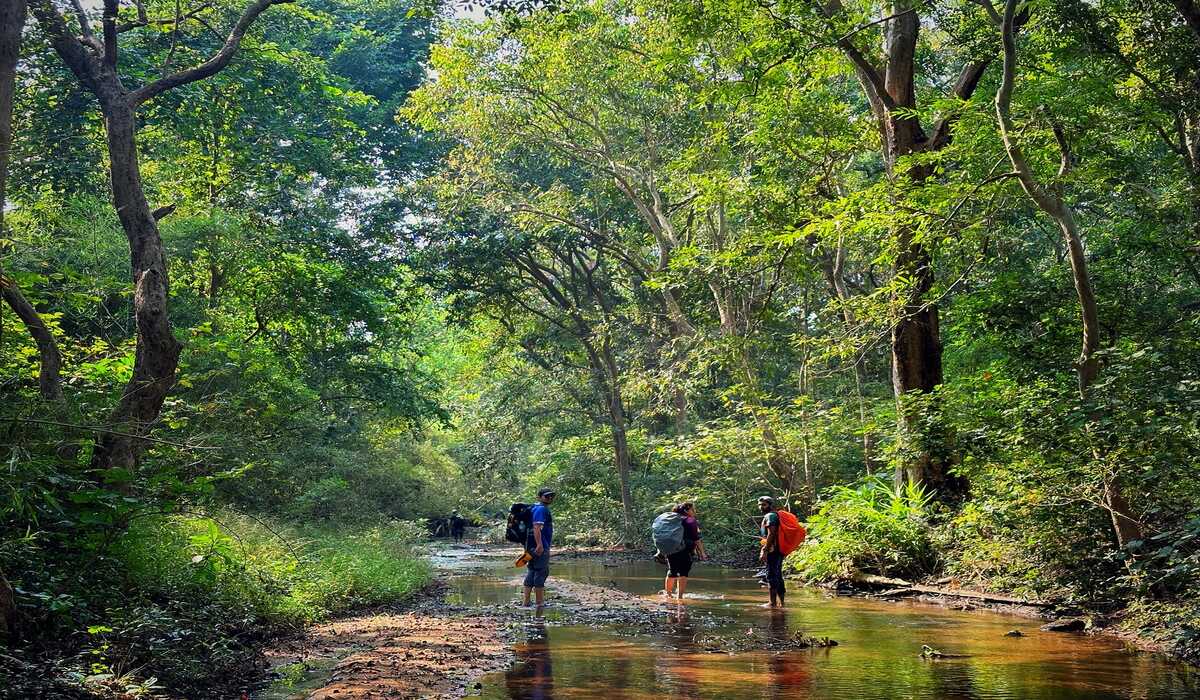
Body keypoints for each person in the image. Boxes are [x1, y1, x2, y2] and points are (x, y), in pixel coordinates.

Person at [664, 502, 707, 600]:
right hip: (685, 549)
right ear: (686, 510)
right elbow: (696, 539)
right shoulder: (690, 521)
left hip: (671, 549)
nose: (694, 512)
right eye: (692, 509)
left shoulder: (672, 520)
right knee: (683, 573)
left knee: (672, 571)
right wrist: (702, 553)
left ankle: (668, 595)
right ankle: (679, 597)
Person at [522, 488, 555, 609]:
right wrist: (540, 545)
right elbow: (537, 528)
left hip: (530, 546)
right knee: (541, 572)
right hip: (540, 546)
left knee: (532, 571)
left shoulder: (534, 508)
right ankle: (539, 602)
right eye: (547, 496)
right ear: (539, 497)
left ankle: (526, 602)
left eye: (552, 496)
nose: (550, 498)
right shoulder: (541, 509)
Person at [758, 496, 785, 607]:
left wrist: (765, 550)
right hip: (778, 549)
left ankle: (772, 603)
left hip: (773, 550)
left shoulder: (770, 516)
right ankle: (781, 603)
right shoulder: (775, 515)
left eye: (764, 505)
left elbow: (771, 534)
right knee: (777, 575)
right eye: (760, 505)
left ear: (770, 505)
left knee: (771, 575)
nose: (761, 507)